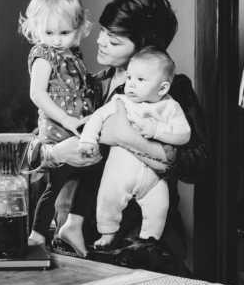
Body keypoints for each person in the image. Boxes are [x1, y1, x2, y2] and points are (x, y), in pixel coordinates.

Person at [40, 0, 208, 268]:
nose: (101, 40)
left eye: (114, 40)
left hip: (140, 242)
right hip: (78, 238)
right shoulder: (89, 83)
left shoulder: (173, 90)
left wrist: (128, 138)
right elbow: (43, 142)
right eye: (103, 31)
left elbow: (199, 163)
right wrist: (57, 153)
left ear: (143, 48)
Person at [79, 47, 191, 247]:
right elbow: (97, 118)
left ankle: (150, 240)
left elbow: (184, 135)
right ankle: (107, 232)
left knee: (159, 206)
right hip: (120, 172)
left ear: (163, 88)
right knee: (108, 198)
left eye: (140, 80)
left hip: (154, 177)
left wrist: (157, 131)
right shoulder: (122, 101)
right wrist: (88, 140)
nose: (130, 84)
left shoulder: (170, 107)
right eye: (129, 77)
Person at [19, 0, 99, 247]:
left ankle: (73, 224)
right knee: (53, 185)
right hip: (57, 132)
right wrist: (66, 120)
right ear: (35, 29)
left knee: (91, 174)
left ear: (78, 29)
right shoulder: (45, 55)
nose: (56, 39)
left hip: (79, 129)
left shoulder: (73, 54)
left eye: (64, 33)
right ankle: (38, 233)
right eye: (48, 32)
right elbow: (38, 95)